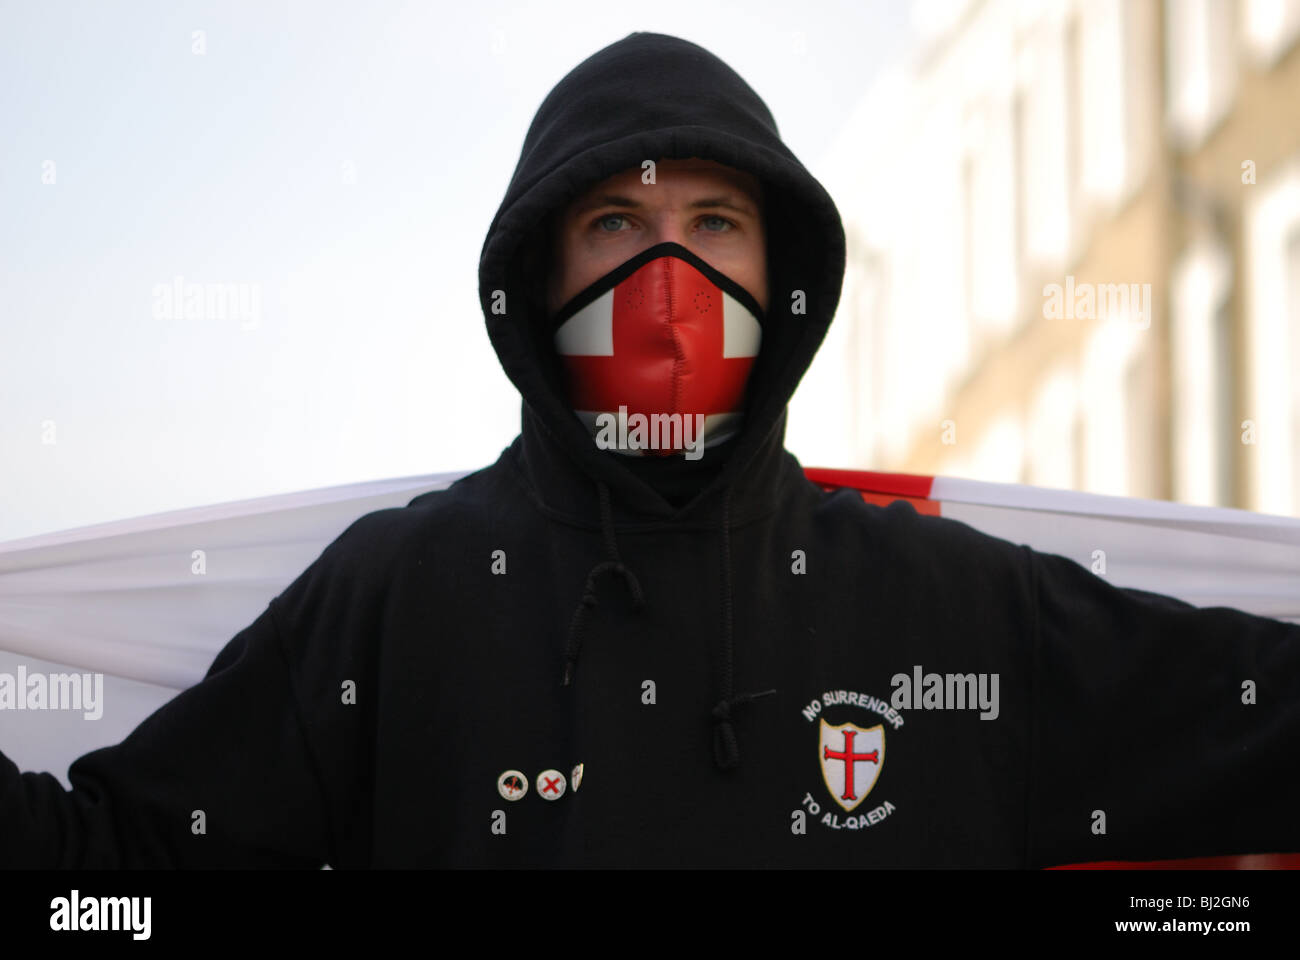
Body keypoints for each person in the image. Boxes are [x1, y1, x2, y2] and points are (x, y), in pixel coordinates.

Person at [3, 32, 1298, 869]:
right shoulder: (405, 599)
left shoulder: (956, 611)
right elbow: (111, 880)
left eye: (716, 221)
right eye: (617, 223)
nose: (670, 274)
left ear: (777, 270)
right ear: (539, 273)